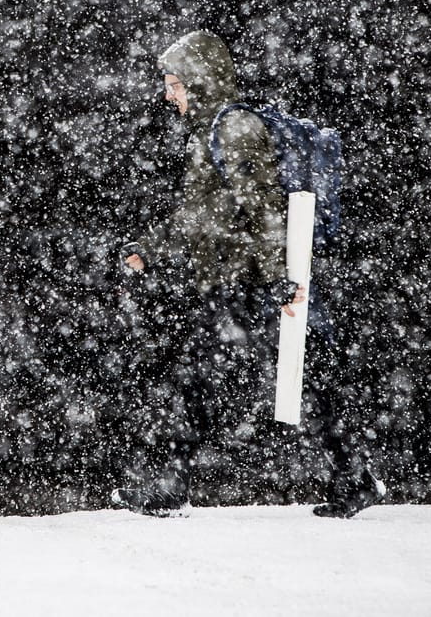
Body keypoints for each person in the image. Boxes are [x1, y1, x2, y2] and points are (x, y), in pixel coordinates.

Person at [114, 29, 384, 519]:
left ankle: (175, 488)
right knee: (231, 380)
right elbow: (201, 216)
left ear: (200, 82)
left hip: (246, 283)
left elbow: (263, 211)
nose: (168, 94)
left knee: (219, 379)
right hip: (232, 280)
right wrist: (150, 250)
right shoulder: (211, 132)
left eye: (175, 84)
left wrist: (280, 274)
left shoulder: (233, 128)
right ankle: (354, 478)